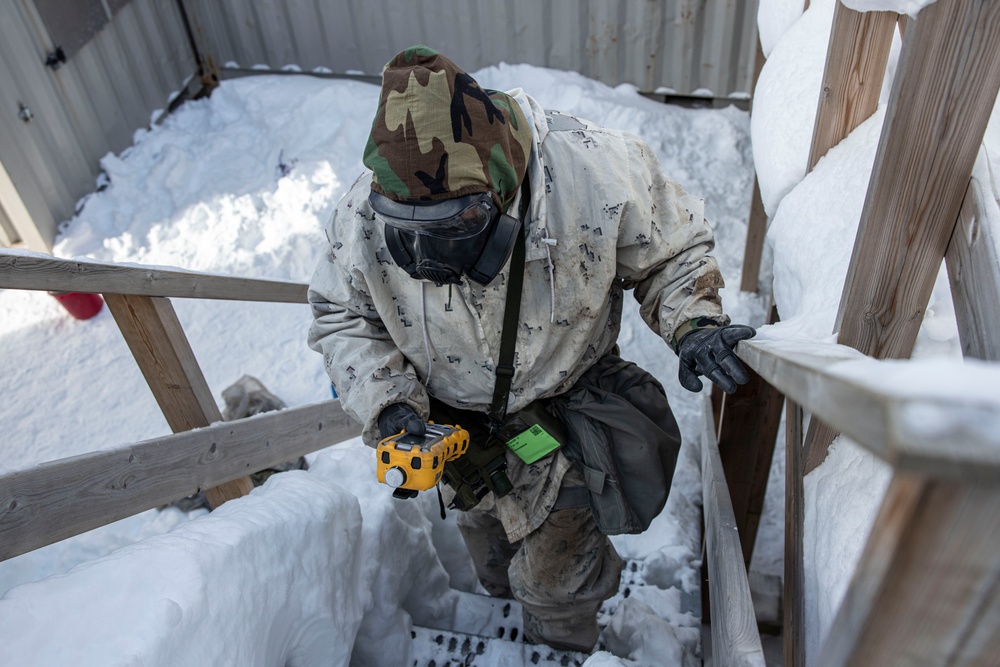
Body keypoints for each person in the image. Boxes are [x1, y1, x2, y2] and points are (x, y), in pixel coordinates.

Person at [308, 46, 755, 652]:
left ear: (501, 185)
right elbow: (343, 314)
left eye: (452, 228)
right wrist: (390, 404)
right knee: (492, 561)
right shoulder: (359, 215)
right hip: (456, 439)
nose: (429, 260)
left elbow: (670, 252)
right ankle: (510, 625)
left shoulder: (593, 171)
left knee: (555, 581)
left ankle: (563, 646)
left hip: (565, 417)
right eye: (408, 231)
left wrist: (694, 321)